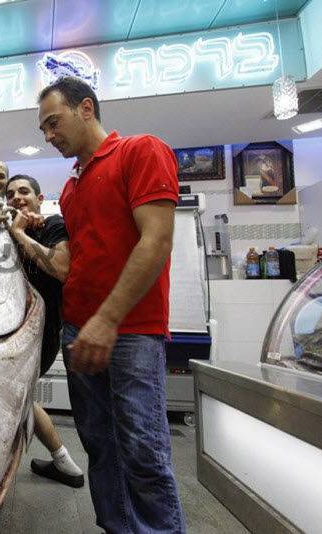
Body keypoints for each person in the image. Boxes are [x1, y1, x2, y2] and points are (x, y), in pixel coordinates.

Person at [37, 77, 186, 533]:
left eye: (53, 122)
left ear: (86, 108)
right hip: (78, 329)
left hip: (131, 331)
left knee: (142, 449)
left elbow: (156, 241)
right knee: (100, 445)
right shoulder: (70, 189)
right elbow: (74, 264)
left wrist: (107, 319)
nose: (48, 135)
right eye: (42, 129)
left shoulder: (141, 151)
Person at [6, 174, 85, 488]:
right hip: (8, 334)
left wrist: (20, 234)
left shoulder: (52, 225)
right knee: (17, 399)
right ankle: (64, 462)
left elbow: (62, 268)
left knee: (12, 400)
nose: (17, 198)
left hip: (40, 336)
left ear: (39, 198)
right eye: (10, 194)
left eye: (24, 191)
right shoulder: (5, 235)